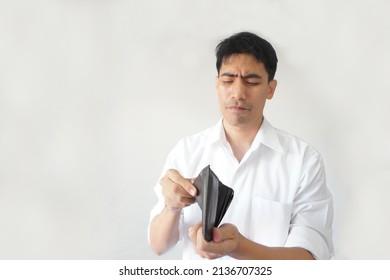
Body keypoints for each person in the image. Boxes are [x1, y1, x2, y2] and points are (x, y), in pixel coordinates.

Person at [148, 32, 334, 260]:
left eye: (252, 82)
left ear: (270, 89)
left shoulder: (304, 160)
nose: (238, 93)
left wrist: (238, 247)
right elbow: (158, 245)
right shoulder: (186, 151)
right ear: (217, 85)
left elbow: (310, 258)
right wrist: (171, 207)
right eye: (228, 80)